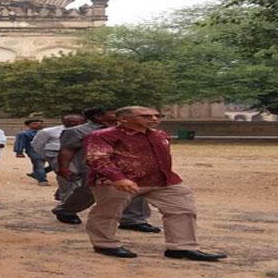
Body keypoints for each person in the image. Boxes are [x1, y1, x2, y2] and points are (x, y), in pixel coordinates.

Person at [84, 106, 226, 261]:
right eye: (146, 116)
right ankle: (104, 244)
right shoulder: (103, 135)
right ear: (123, 119)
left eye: (157, 116)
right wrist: (118, 178)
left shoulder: (159, 135)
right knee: (109, 212)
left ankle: (182, 247)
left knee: (182, 208)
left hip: (161, 180)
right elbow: (97, 158)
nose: (154, 119)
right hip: (118, 182)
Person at [52, 107, 159, 233]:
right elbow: (68, 149)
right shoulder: (78, 131)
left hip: (127, 167)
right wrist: (64, 167)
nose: (118, 114)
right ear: (98, 116)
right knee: (89, 193)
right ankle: (66, 210)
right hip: (95, 168)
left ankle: (133, 220)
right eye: (113, 113)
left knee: (135, 189)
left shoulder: (128, 128)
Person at [32, 114, 86, 200]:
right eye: (69, 121)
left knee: (80, 175)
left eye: (76, 122)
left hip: (79, 155)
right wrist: (46, 155)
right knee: (67, 175)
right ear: (63, 121)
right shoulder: (48, 131)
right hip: (56, 154)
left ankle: (61, 194)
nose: (72, 123)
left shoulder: (86, 131)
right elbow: (37, 144)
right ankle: (67, 199)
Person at [14, 119, 50, 186]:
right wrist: (19, 152)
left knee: (55, 165)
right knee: (39, 165)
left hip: (49, 151)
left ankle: (36, 174)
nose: (39, 125)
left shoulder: (48, 132)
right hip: (34, 151)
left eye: (40, 123)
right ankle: (42, 180)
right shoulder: (24, 134)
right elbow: (20, 143)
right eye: (35, 123)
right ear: (28, 125)